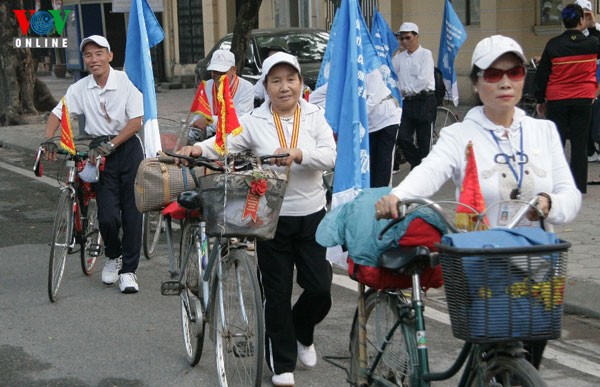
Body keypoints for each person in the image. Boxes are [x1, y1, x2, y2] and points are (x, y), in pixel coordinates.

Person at [375, 35, 582, 370]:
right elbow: (432, 170)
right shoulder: (460, 135)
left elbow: (570, 195)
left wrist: (548, 202)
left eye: (513, 72)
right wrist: (398, 196)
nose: (504, 82)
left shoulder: (543, 131)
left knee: (527, 364)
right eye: (492, 74)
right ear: (476, 82)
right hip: (483, 266)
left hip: (537, 265)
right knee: (491, 363)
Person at [178, 52, 336, 387]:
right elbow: (224, 143)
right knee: (276, 293)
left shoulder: (314, 115)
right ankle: (282, 365)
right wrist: (199, 151)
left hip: (311, 215)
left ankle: (302, 330)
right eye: (276, 81)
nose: (284, 87)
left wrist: (300, 154)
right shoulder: (254, 120)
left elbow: (331, 155)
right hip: (270, 219)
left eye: (290, 79)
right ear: (265, 86)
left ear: (300, 83)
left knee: (320, 289)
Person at [43, 35, 145, 293]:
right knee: (108, 216)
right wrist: (48, 141)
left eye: (99, 53)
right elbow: (59, 113)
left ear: (110, 56)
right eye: (88, 55)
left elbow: (136, 121)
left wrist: (113, 144)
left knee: (132, 213)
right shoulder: (80, 88)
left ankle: (129, 272)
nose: (93, 59)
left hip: (129, 148)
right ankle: (112, 255)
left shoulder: (126, 81)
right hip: (100, 155)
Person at [533, 3, 600, 193]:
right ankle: (578, 186)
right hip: (583, 99)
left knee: (557, 142)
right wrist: (593, 27)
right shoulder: (592, 43)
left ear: (564, 22)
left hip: (557, 99)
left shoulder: (554, 44)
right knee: (579, 144)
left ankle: (556, 184)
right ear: (581, 20)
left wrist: (540, 99)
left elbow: (542, 74)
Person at [309, 70, 402, 187]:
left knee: (383, 164)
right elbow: (314, 98)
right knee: (369, 166)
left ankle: (382, 197)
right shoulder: (342, 74)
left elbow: (374, 99)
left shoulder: (370, 69)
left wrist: (350, 118)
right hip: (368, 125)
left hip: (386, 118)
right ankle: (370, 200)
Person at [392, 22, 436, 170]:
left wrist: (406, 90)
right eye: (402, 38)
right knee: (402, 137)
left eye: (408, 38)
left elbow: (423, 80)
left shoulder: (425, 54)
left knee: (424, 141)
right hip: (408, 103)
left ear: (416, 37)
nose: (405, 41)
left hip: (425, 101)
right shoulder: (399, 57)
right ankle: (418, 164)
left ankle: (420, 171)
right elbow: (392, 74)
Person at [189, 49, 254, 141]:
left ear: (233, 70)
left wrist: (209, 121)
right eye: (214, 71)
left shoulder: (246, 88)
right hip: (209, 138)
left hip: (235, 139)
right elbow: (199, 116)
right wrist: (190, 134)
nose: (217, 75)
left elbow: (239, 121)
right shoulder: (206, 86)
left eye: (222, 72)